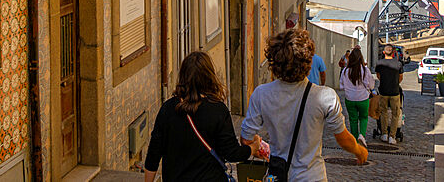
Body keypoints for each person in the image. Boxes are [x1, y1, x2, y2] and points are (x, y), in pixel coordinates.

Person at [242, 29, 368, 181]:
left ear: (274, 61)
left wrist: (261, 146)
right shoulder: (326, 97)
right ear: (309, 61)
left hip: (279, 175)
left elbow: (246, 139)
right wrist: (359, 151)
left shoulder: (261, 94)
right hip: (312, 176)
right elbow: (343, 139)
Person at [144, 51, 263, 181]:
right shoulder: (218, 110)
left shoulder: (168, 109)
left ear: (183, 76)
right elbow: (232, 153)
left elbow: (153, 156)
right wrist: (252, 148)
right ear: (209, 77)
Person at [338, 47, 375, 147]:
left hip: (349, 99)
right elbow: (371, 85)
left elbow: (341, 86)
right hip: (363, 98)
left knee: (353, 119)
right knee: (363, 118)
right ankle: (362, 135)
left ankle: (354, 139)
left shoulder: (345, 71)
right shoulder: (365, 70)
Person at [375, 44, 404, 144]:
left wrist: (384, 82)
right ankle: (392, 136)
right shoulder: (398, 64)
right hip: (395, 92)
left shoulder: (379, 63)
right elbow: (401, 77)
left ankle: (384, 134)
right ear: (393, 52)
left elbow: (378, 76)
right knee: (396, 114)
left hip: (383, 91)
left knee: (383, 113)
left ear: (384, 52)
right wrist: (395, 83)